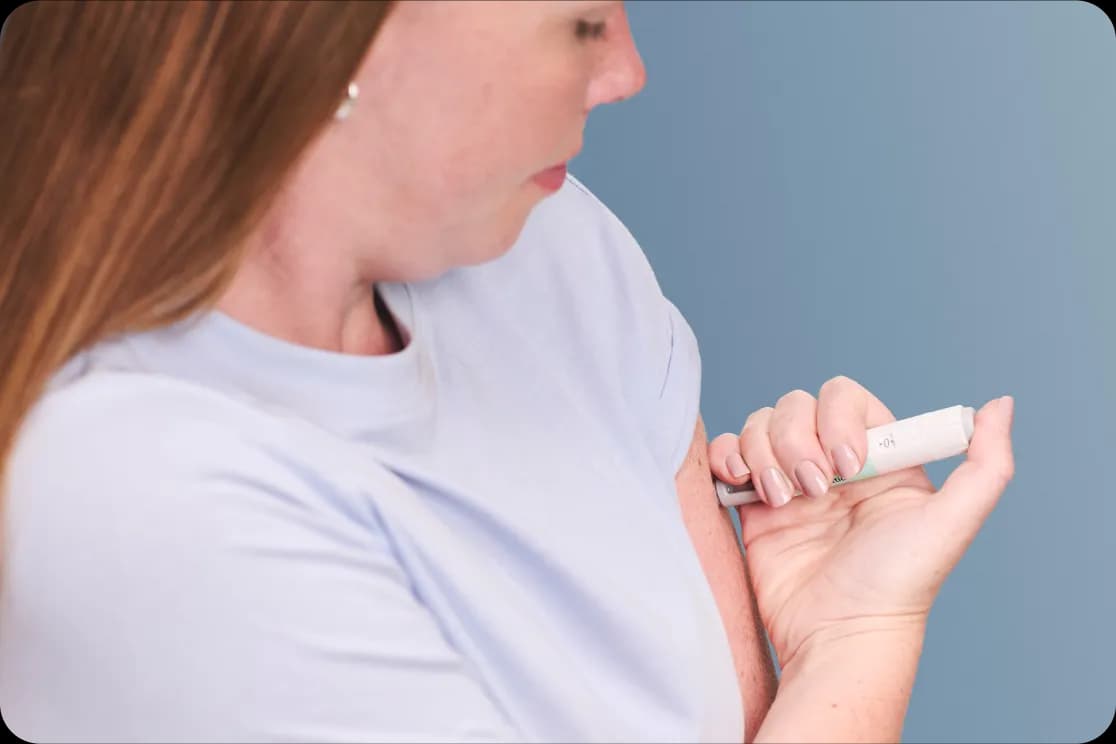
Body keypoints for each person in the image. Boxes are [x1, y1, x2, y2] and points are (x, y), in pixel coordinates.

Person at [0, 1, 1015, 742]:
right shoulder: (135, 498)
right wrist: (862, 652)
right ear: (337, 42)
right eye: (578, 24)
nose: (626, 71)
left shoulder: (547, 252)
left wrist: (841, 633)